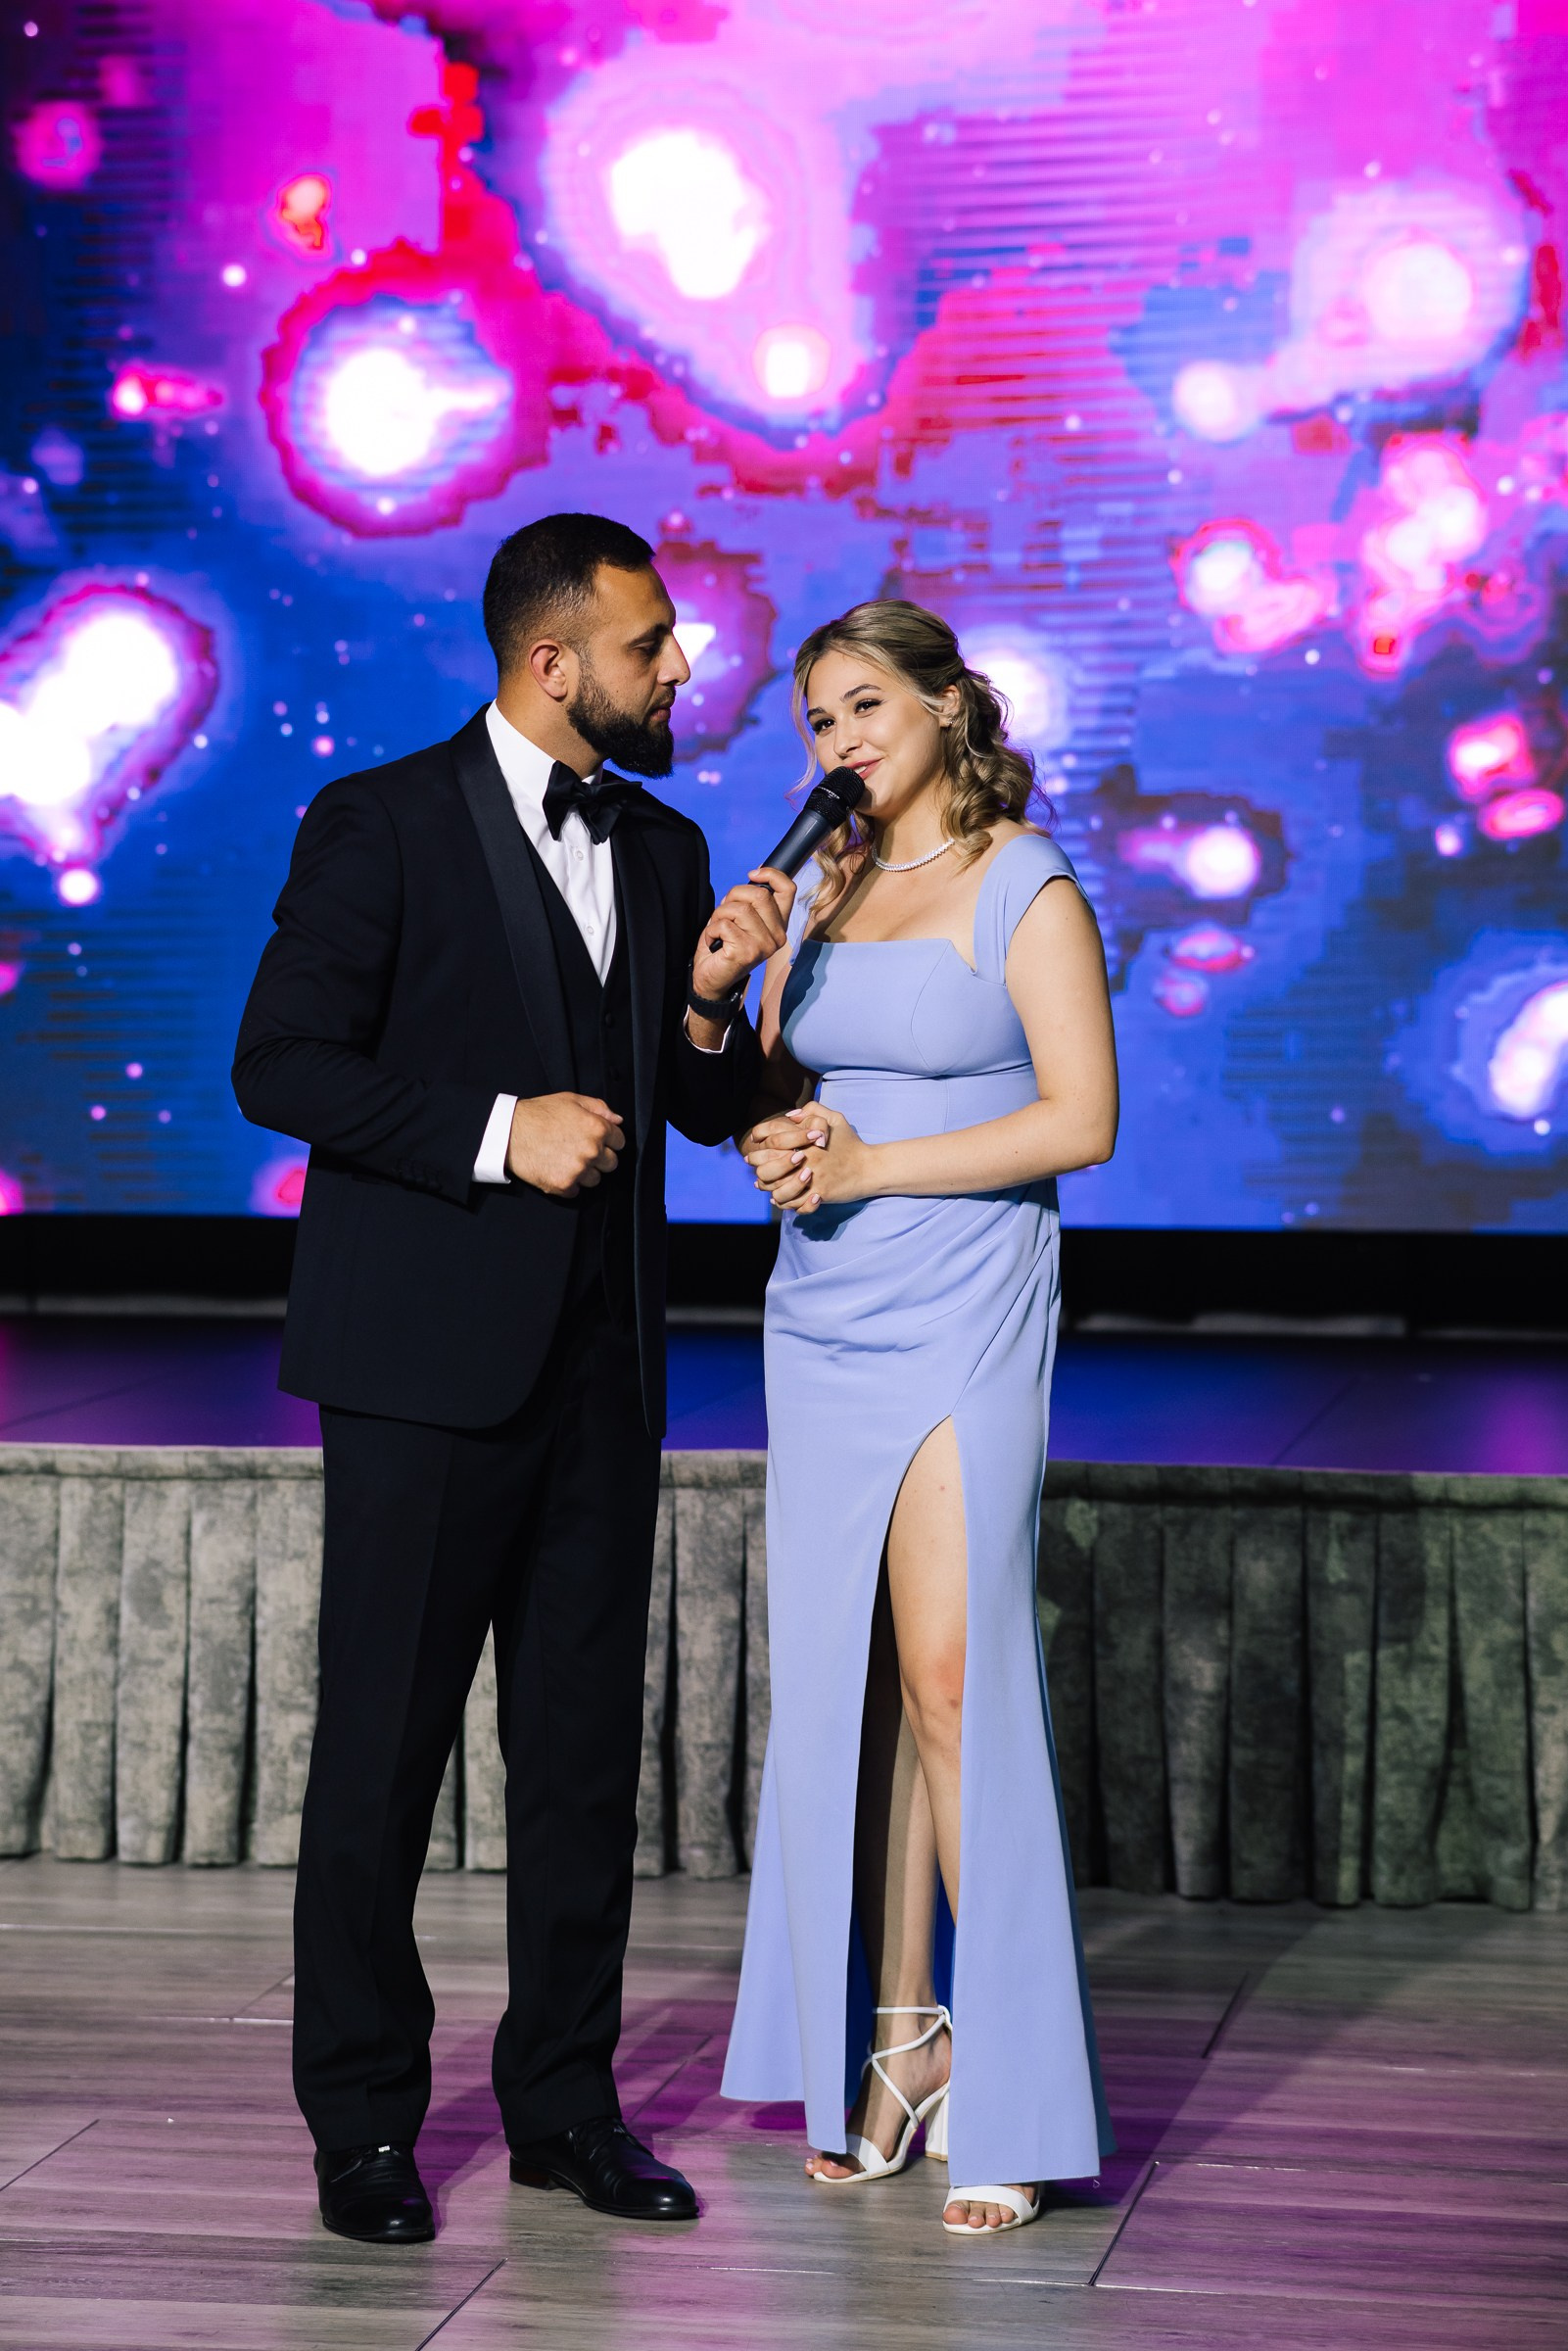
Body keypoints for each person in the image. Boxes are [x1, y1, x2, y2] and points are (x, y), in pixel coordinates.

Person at [233, 513, 786, 2244]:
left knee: (577, 1764)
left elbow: (700, 1104)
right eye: (648, 645)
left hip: (604, 1373)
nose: (680, 668)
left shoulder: (666, 843)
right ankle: (363, 2128)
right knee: (381, 1758)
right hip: (418, 1373)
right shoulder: (380, 820)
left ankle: (563, 2108)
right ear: (553, 665)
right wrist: (498, 1131)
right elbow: (279, 1063)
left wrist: (712, 1010)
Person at [720, 600, 1119, 2234]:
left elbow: (1080, 1120)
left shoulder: (1025, 881)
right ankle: (898, 2051)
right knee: (856, 1690)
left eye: (866, 705)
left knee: (953, 1680)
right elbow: (775, 1095)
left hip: (964, 1299)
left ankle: (1013, 2087)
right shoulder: (823, 889)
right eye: (817, 720)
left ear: (950, 706)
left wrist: (875, 1162)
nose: (840, 742)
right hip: (821, 1309)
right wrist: (741, 1036)